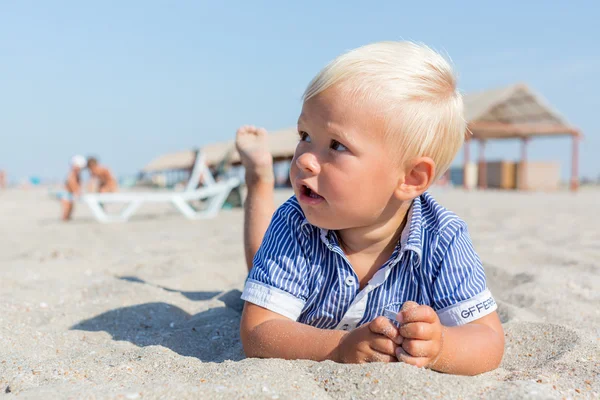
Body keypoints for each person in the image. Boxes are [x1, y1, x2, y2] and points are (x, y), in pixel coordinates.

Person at [236, 41, 504, 375]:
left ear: (410, 177)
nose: (304, 158)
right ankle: (259, 179)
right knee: (258, 263)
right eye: (304, 135)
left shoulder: (443, 237)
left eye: (336, 145)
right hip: (303, 297)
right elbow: (259, 330)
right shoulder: (296, 222)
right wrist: (338, 348)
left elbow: (489, 340)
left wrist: (442, 347)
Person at [61, 155, 87, 221]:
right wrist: (76, 191)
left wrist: (78, 190)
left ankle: (66, 219)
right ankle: (64, 219)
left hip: (70, 193)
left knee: (71, 208)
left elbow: (77, 183)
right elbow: (71, 183)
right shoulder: (72, 174)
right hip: (67, 192)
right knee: (67, 208)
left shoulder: (76, 174)